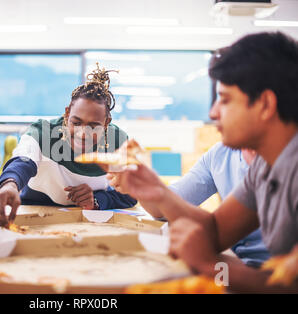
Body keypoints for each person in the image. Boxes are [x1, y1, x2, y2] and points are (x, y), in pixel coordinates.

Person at [108, 32, 298, 292]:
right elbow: (217, 231)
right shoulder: (265, 166)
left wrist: (212, 266)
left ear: (265, 104)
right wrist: (159, 192)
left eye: (226, 99)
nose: (213, 112)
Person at [0, 64, 137, 226]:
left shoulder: (118, 141)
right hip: (36, 214)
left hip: (87, 220)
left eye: (94, 126)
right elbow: (22, 162)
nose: (82, 133)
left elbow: (130, 194)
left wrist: (97, 200)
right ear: (67, 113)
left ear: (106, 122)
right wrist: (10, 185)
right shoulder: (43, 131)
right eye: (76, 122)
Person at [167, 143, 270, 268]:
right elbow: (217, 229)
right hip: (242, 267)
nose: (214, 122)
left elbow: (284, 283)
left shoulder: (285, 163)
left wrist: (208, 264)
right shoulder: (223, 153)